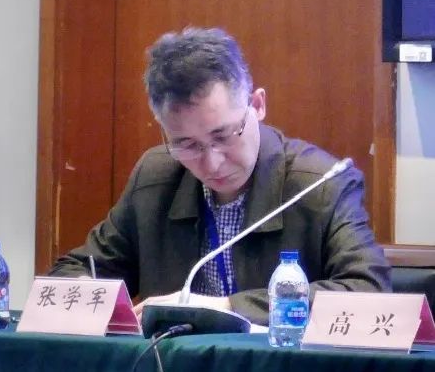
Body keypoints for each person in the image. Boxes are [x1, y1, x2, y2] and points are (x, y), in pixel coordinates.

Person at [48, 27, 389, 324]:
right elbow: (74, 273)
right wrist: (106, 306)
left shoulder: (321, 183)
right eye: (187, 145)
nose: (211, 163)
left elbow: (368, 292)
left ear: (257, 105)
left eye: (223, 136)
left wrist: (225, 308)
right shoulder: (156, 177)